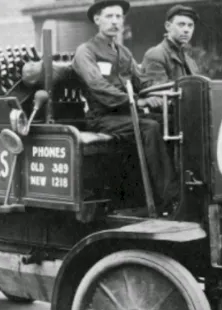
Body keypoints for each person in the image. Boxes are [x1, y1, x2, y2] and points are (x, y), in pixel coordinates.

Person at [72, 0, 179, 214]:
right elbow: (97, 86)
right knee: (150, 128)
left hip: (127, 116)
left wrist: (161, 92)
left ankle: (185, 190)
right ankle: (169, 200)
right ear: (97, 19)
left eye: (119, 17)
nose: (115, 22)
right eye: (109, 16)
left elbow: (142, 81)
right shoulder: (86, 51)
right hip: (101, 118)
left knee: (172, 121)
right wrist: (136, 101)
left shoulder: (124, 53)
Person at [141, 5, 201, 85]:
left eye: (190, 25)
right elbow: (159, 90)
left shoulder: (190, 62)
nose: (186, 30)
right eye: (181, 24)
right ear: (168, 26)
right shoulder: (155, 55)